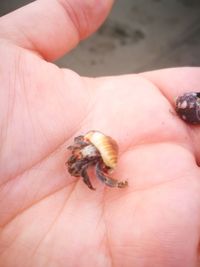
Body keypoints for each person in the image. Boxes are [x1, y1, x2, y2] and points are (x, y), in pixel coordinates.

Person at [0, 1, 200, 266]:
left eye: (81, 151)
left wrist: (117, 181)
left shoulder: (93, 160)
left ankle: (114, 184)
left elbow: (90, 162)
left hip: (101, 148)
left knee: (88, 170)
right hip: (97, 145)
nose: (78, 155)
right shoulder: (84, 146)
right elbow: (80, 144)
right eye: (81, 149)